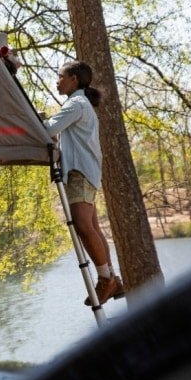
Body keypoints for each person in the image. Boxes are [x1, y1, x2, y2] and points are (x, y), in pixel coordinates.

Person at [44, 61, 125, 306]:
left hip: (79, 172)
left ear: (74, 79)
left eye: (60, 77)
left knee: (82, 225)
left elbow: (49, 129)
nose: (57, 81)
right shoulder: (81, 104)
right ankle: (111, 278)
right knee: (92, 227)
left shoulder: (76, 104)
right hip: (87, 171)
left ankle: (105, 280)